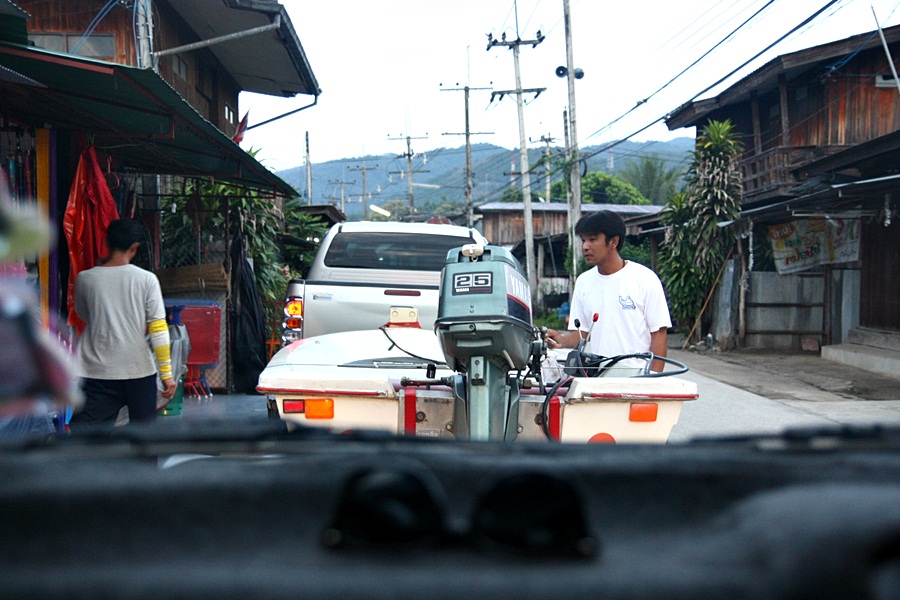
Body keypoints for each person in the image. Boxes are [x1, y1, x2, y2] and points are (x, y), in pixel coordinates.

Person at [69, 219, 176, 430]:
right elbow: (158, 328)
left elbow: (83, 314)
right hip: (138, 371)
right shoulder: (147, 279)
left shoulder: (85, 279)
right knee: (144, 439)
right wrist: (167, 375)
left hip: (96, 371)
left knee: (86, 437)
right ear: (134, 247)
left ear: (107, 242)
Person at [545, 210, 671, 373]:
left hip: (636, 377)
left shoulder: (645, 279)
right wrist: (562, 341)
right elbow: (582, 334)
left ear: (614, 241)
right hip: (596, 379)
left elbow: (659, 333)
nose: (585, 247)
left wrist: (652, 380)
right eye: (583, 240)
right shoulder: (583, 282)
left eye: (592, 239)